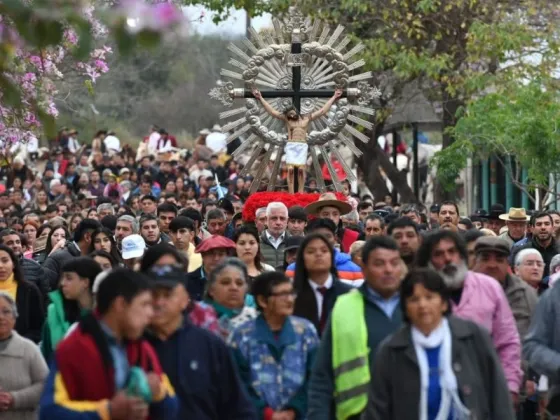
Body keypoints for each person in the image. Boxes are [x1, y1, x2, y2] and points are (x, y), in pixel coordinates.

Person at [365, 268, 515, 419]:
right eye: (414, 299)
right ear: (405, 308)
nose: (422, 305)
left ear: (443, 303)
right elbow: (377, 410)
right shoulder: (391, 350)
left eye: (429, 297)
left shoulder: (472, 336)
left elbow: (498, 395)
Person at [39, 268, 178, 419]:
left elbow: (172, 408)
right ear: (120, 305)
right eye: (144, 304)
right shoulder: (73, 349)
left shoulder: (143, 347)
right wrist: (108, 411)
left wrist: (158, 394)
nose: (151, 313)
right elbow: (50, 411)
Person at [416, 230, 522, 403]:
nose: (448, 259)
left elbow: (508, 341)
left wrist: (510, 386)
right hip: (433, 394)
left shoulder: (489, 287)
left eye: (452, 252)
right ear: (429, 261)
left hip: (485, 391)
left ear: (462, 255)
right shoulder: (418, 294)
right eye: (439, 254)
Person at [308, 236, 404, 420]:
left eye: (394, 263)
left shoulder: (415, 305)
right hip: (356, 413)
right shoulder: (344, 306)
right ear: (364, 268)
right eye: (379, 263)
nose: (388, 270)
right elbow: (322, 374)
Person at [144, 264, 258, 419]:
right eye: (154, 295)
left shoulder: (209, 344)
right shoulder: (135, 345)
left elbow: (237, 406)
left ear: (185, 299)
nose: (159, 302)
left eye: (167, 294)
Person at [229, 271, 319, 419]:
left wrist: (294, 410)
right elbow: (238, 384)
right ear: (263, 301)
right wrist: (266, 413)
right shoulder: (241, 335)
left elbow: (315, 376)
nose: (290, 300)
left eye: (291, 293)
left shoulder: (306, 331)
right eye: (282, 295)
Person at [252, 87, 342, 193]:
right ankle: (291, 193)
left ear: (296, 110)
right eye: (289, 114)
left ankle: (300, 191)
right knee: (290, 170)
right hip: (291, 145)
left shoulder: (306, 118)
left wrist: (334, 97)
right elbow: (272, 111)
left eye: (292, 113)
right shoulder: (287, 119)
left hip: (302, 145)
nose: (291, 115)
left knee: (300, 170)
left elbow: (322, 111)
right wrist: (260, 98)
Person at [40, 257, 102, 362]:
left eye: (69, 278)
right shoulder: (54, 315)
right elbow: (45, 356)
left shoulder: (106, 315)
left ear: (85, 282)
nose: (62, 283)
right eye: (62, 278)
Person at [292, 233, 353, 337]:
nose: (318, 254)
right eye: (311, 251)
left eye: (324, 251)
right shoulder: (292, 296)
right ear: (302, 258)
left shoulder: (349, 294)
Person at [0, 292, 49, 420]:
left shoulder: (29, 349)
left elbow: (45, 384)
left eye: (6, 312)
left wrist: (14, 399)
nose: (1, 317)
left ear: (14, 318)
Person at [286, 218, 363, 286]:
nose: (323, 240)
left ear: (335, 238)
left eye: (327, 236)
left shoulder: (354, 270)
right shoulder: (293, 270)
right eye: (317, 236)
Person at [204, 258, 257, 339]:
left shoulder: (257, 320)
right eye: (225, 282)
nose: (234, 288)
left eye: (239, 283)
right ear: (211, 289)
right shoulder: (197, 318)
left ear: (246, 288)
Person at [0, 245, 44, 343]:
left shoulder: (29, 290)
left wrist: (18, 343)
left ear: (13, 264)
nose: (1, 266)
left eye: (5, 260)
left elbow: (37, 329)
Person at [43, 219, 102, 291]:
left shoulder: (96, 258)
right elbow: (46, 291)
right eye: (98, 240)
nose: (102, 244)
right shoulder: (57, 258)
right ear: (87, 237)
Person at [187, 235, 236, 301]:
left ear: (227, 257)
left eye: (221, 254)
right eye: (211, 254)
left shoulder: (235, 281)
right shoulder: (187, 281)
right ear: (202, 255)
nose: (216, 258)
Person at [234, 226, 275, 290]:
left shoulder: (269, 271)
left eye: (252, 243)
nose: (247, 247)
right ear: (235, 246)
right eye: (242, 243)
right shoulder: (227, 272)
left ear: (258, 245)